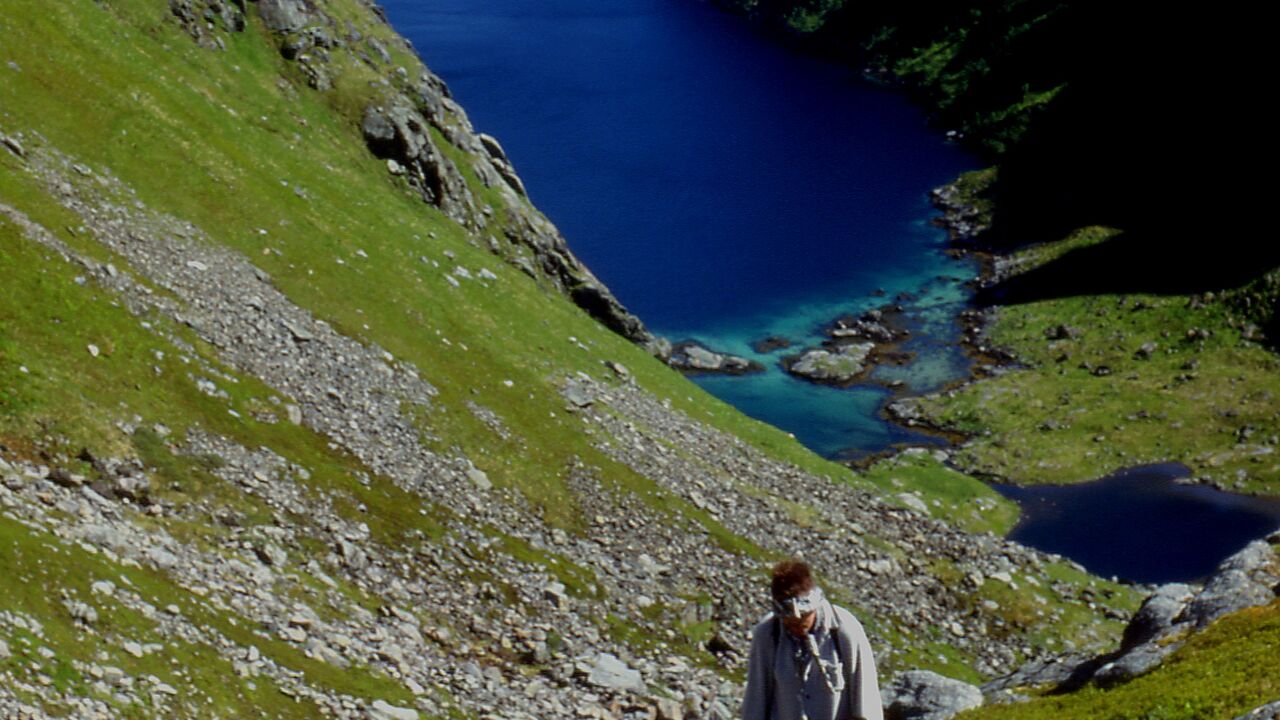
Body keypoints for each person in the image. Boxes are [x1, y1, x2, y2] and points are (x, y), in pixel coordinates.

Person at [741, 560, 883, 720]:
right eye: (788, 621)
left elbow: (867, 702)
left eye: (803, 617)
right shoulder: (767, 634)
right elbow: (755, 700)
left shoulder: (845, 630)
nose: (796, 625)